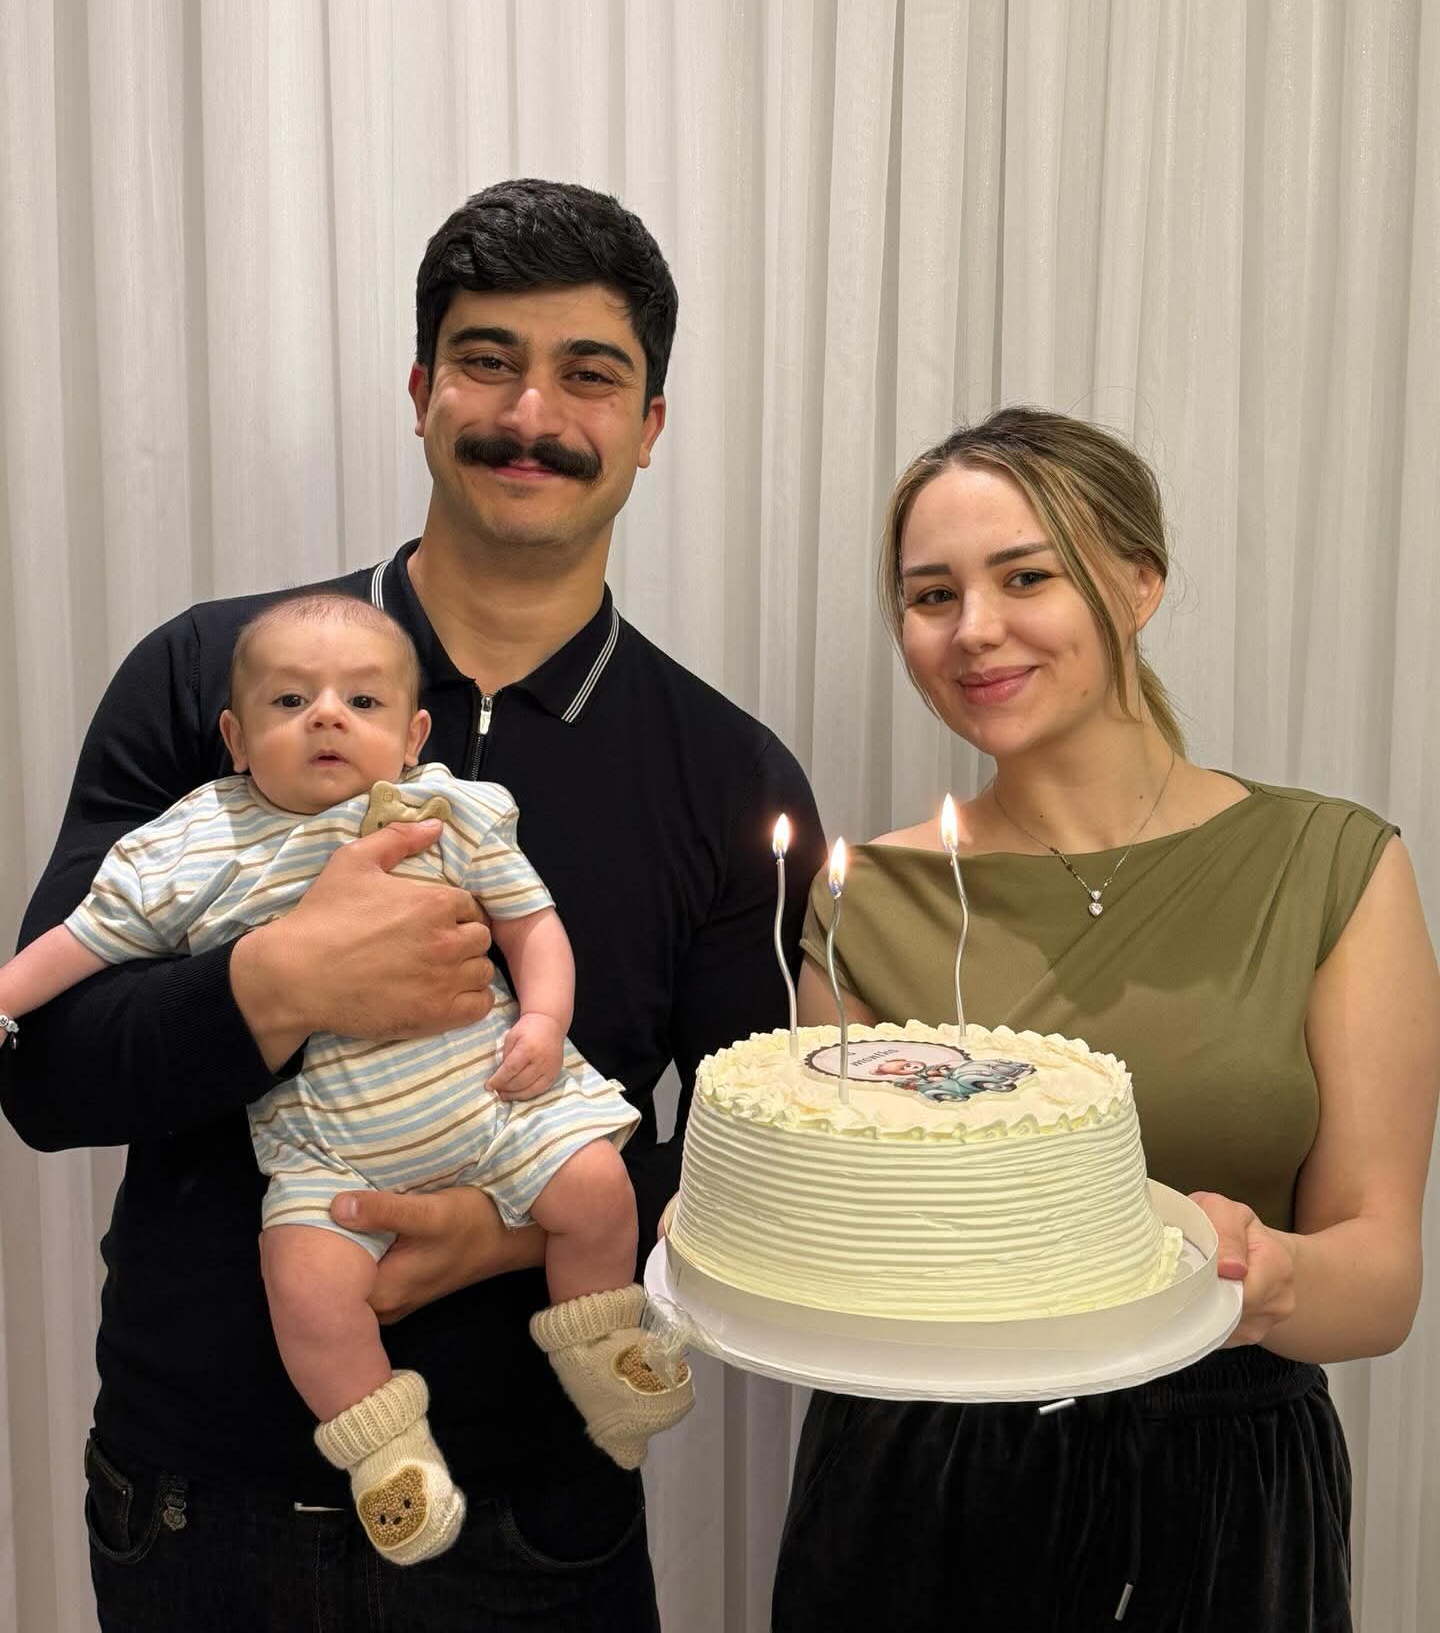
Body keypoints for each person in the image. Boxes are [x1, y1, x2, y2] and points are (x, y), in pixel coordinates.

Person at [1, 178, 824, 1632]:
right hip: (199, 1507)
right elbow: (48, 1079)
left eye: (589, 373)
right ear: (420, 389)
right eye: (487, 359)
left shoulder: (726, 773)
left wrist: (514, 1228)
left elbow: (752, 1150)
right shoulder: (214, 679)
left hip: (542, 1527)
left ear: (649, 425)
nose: (531, 413)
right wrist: (278, 983)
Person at [769, 407, 1440, 1633]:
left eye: (1026, 576)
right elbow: (855, 1242)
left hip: (1221, 1482)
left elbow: (1383, 1281)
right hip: (923, 1481)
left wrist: (1269, 1276)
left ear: (1139, 582)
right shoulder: (869, 898)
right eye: (931, 595)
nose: (975, 628)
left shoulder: (1329, 863)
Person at [0, 590, 696, 1565]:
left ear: (412, 737)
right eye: (290, 702)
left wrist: (543, 1020)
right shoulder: (197, 839)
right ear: (235, 738)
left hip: (490, 1101)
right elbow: (84, 944)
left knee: (594, 1186)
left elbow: (531, 924)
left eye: (362, 702)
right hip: (325, 1150)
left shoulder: (445, 812)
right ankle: (386, 1455)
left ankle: (600, 1349)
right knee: (307, 1284)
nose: (326, 715)